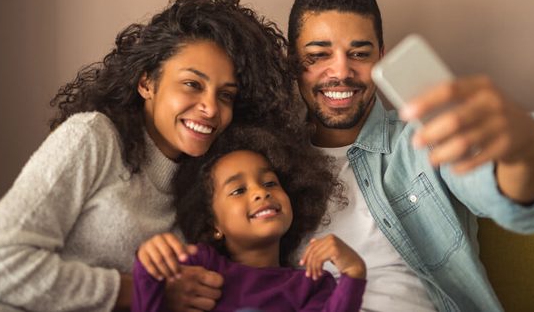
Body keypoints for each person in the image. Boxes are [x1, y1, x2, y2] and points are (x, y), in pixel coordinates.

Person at [0, 0, 296, 311]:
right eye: (192, 84)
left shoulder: (209, 186)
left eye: (225, 95)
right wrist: (138, 290)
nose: (211, 108)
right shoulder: (94, 137)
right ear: (146, 84)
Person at [285, 0, 534, 311]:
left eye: (359, 54)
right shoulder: (270, 165)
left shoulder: (425, 138)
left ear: (380, 58)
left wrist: (526, 151)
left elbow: (502, 193)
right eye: (318, 56)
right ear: (293, 62)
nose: (341, 71)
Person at [132, 124, 367, 312]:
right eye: (238, 190)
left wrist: (354, 274)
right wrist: (150, 270)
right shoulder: (200, 267)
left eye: (270, 183)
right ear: (213, 224)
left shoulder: (311, 283)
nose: (260, 192)